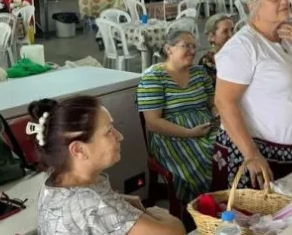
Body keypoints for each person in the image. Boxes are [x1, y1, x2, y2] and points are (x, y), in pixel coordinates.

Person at [212, 0, 292, 190]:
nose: (285, 1)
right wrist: (251, 155)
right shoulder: (243, 47)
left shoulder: (287, 39)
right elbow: (224, 102)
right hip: (259, 158)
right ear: (253, 6)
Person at [30, 96, 185, 235]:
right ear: (78, 150)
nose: (120, 136)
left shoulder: (54, 181)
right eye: (108, 131)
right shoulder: (93, 205)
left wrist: (121, 203)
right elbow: (175, 232)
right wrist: (159, 213)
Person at [138, 29, 216, 204]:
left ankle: (226, 200)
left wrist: (218, 114)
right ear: (168, 49)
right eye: (186, 46)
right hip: (171, 137)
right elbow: (153, 123)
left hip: (206, 128)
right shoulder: (154, 77)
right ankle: (201, 208)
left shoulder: (199, 72)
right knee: (205, 156)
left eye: (194, 46)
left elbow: (212, 103)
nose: (193, 50)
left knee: (230, 148)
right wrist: (190, 133)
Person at [198, 13, 235, 83]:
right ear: (212, 36)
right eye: (225, 31)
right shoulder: (207, 62)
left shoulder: (239, 53)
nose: (231, 35)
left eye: (232, 30)